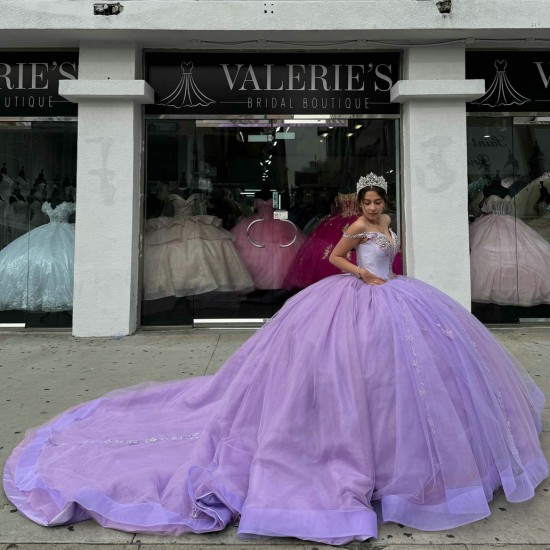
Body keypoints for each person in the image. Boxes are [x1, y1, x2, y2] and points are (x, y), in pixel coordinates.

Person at [3, 174, 547, 546]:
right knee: (340, 370)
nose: (375, 209)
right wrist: (359, 273)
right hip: (356, 295)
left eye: (380, 202)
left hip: (398, 295)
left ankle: (406, 451)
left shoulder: (386, 226)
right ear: (360, 205)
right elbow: (336, 258)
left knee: (401, 376)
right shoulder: (356, 229)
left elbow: (391, 255)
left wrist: (387, 274)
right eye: (369, 202)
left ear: (386, 204)